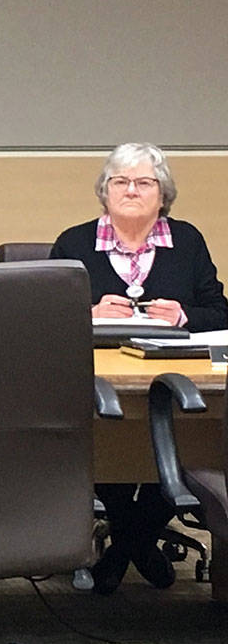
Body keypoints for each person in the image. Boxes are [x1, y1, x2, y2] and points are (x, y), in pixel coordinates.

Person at [51, 142, 228, 595]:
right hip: (93, 384)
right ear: (104, 191)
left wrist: (183, 315)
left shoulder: (186, 241)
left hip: (174, 381)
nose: (131, 190)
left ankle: (124, 545)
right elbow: (42, 314)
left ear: (162, 193)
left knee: (186, 442)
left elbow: (219, 311)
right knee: (104, 442)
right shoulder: (75, 242)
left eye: (144, 182)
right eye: (120, 181)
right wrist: (87, 312)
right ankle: (135, 543)